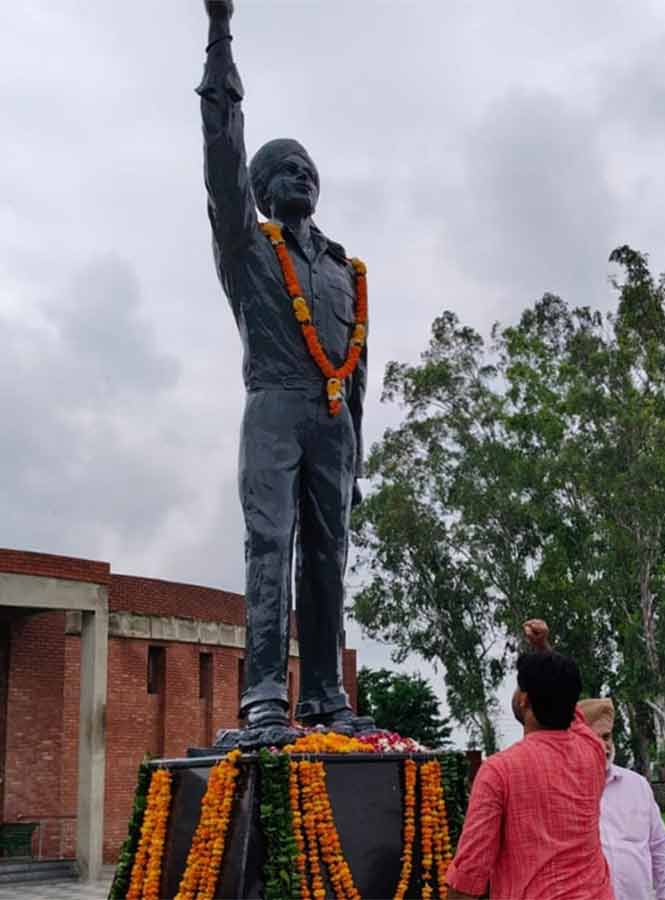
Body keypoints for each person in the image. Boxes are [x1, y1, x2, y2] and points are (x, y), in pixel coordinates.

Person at [198, 0, 368, 735]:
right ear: (262, 190)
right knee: (271, 544)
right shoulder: (247, 247)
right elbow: (221, 157)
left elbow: (355, 365)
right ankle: (266, 691)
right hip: (272, 405)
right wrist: (220, 34)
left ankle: (326, 696)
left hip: (333, 421)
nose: (299, 173)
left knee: (330, 556)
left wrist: (355, 451)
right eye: (282, 168)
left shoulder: (345, 269)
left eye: (308, 168)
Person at [446, 621, 613, 900]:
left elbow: (469, 875)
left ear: (524, 699)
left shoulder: (499, 772)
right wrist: (543, 651)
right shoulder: (593, 751)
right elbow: (571, 708)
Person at [579, 698, 665, 900]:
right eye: (594, 738)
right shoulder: (563, 791)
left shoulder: (637, 786)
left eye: (607, 736)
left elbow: (661, 847)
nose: (604, 745)